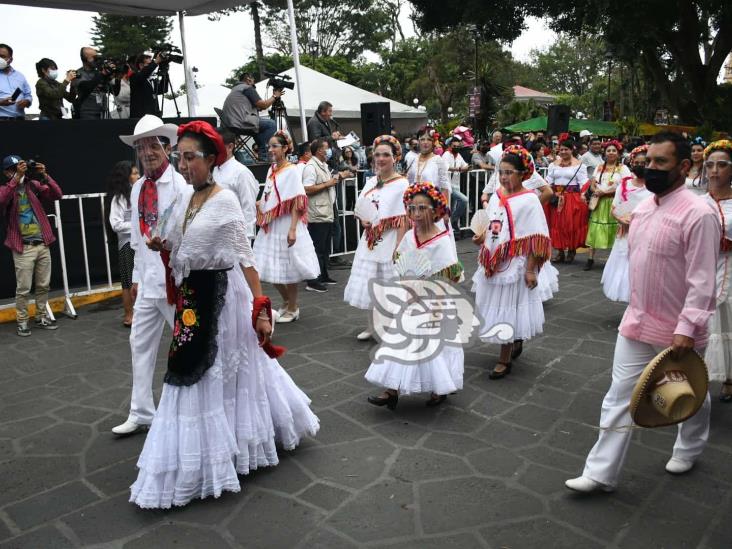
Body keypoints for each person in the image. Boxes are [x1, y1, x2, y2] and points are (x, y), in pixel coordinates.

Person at [129, 120, 319, 509]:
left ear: (212, 158)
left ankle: (217, 455)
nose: (183, 165)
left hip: (222, 299)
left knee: (218, 372)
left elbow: (245, 258)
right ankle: (210, 451)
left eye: (190, 157)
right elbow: (172, 237)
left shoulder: (225, 199)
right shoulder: (185, 199)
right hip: (191, 299)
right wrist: (161, 242)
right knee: (199, 373)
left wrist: (261, 308)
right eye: (179, 157)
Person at [565, 132, 720, 493]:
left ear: (683, 167)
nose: (650, 168)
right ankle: (600, 473)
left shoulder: (699, 213)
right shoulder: (645, 206)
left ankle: (690, 446)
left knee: (688, 392)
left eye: (660, 163)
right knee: (619, 394)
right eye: (648, 161)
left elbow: (702, 280)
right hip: (636, 321)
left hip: (677, 329)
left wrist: (688, 326)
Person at [111, 115, 192, 436]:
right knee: (139, 344)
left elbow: (187, 237)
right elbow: (135, 238)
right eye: (141, 147)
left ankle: (189, 412)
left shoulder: (181, 187)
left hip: (175, 283)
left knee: (186, 346)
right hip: (147, 284)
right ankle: (141, 411)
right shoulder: (137, 189)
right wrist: (135, 279)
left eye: (152, 145)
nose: (146, 152)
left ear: (166, 148)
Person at [366, 182, 464, 410]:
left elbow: (448, 278)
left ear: (435, 210)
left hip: (434, 301)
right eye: (412, 208)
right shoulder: (410, 236)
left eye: (422, 208)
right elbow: (403, 264)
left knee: (434, 347)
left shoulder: (441, 241)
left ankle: (439, 386)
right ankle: (392, 389)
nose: (417, 214)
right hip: (410, 297)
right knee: (401, 342)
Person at [472, 146, 551, 379]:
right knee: (497, 305)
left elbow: (537, 238)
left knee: (507, 308)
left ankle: (504, 358)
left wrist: (530, 270)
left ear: (522, 173)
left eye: (509, 172)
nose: (504, 177)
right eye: (501, 172)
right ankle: (513, 339)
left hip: (514, 263)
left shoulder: (529, 200)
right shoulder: (497, 195)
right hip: (493, 259)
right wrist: (482, 237)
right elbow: (494, 224)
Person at [345, 135, 410, 341]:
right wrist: (363, 219)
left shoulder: (402, 184)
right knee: (370, 285)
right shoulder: (372, 180)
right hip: (370, 239)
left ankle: (391, 327)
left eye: (386, 155)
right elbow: (361, 205)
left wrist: (399, 247)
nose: (380, 158)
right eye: (377, 154)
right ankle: (372, 326)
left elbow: (402, 218)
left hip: (390, 240)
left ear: (395, 158)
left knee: (388, 286)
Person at [253, 131, 320, 323]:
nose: (271, 149)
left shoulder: (291, 170)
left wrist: (292, 229)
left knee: (287, 267)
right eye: (269, 146)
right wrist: (262, 205)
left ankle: (293, 307)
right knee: (269, 269)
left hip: (286, 223)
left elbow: (297, 201)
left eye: (275, 146)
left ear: (285, 148)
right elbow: (269, 194)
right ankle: (286, 301)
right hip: (272, 224)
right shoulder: (272, 169)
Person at [0, 156, 62, 336]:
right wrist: (15, 179)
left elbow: (57, 194)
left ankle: (41, 316)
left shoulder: (33, 185)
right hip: (23, 247)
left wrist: (45, 176)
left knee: (43, 285)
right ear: (6, 172)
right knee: (24, 288)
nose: (18, 170)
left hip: (42, 243)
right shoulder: (6, 189)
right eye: (13, 169)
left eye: (19, 167)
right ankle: (22, 321)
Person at [701, 140, 732, 402]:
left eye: (722, 165)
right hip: (702, 271)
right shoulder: (698, 203)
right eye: (710, 164)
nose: (714, 170)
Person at [601, 145, 652, 302]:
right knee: (624, 266)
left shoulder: (655, 186)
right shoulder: (624, 184)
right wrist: (621, 219)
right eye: (637, 162)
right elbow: (614, 209)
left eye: (644, 163)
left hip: (647, 233)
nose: (640, 166)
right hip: (625, 232)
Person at [302, 138, 352, 292]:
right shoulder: (311, 167)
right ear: (319, 151)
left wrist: (338, 177)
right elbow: (307, 189)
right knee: (317, 247)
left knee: (324, 247)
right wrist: (327, 184)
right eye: (327, 148)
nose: (329, 150)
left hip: (326, 211)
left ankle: (323, 275)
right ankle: (313, 280)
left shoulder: (323, 165)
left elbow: (330, 180)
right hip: (317, 213)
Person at [584, 140, 631, 270]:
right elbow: (592, 183)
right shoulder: (599, 167)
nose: (611, 153)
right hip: (598, 202)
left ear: (618, 153)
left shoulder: (623, 168)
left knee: (614, 230)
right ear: (605, 153)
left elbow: (626, 186)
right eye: (608, 150)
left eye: (613, 151)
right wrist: (595, 190)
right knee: (594, 228)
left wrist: (606, 192)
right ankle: (590, 258)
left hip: (614, 202)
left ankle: (613, 260)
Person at [545, 136, 589, 264]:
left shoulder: (580, 165)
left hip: (572, 198)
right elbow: (548, 180)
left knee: (571, 225)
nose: (563, 152)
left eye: (566, 149)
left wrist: (585, 194)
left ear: (572, 150)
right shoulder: (553, 165)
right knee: (557, 224)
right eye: (561, 149)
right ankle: (559, 252)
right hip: (556, 197)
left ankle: (571, 250)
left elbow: (583, 182)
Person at [108, 160, 140, 327]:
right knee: (129, 281)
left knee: (141, 278)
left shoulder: (140, 193)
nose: (138, 176)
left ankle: (141, 314)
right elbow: (116, 224)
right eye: (134, 173)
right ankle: (129, 314)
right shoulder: (119, 199)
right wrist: (136, 226)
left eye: (137, 173)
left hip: (141, 243)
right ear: (125, 177)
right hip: (128, 244)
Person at [221, 72, 280, 162]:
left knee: (260, 128)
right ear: (248, 79)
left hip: (230, 124)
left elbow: (249, 107)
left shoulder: (235, 89)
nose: (254, 82)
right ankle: (264, 155)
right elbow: (263, 105)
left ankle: (262, 155)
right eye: (253, 80)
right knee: (271, 124)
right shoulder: (247, 88)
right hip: (240, 123)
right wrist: (275, 96)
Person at [213, 127, 260, 241]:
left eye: (217, 146)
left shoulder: (241, 173)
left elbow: (249, 209)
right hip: (215, 235)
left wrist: (245, 240)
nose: (214, 150)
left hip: (236, 237)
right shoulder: (213, 170)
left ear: (230, 147)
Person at [69, 47, 116, 120]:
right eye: (94, 58)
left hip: (104, 112)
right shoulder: (77, 74)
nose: (97, 60)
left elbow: (116, 91)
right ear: (86, 59)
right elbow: (86, 87)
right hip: (87, 113)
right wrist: (102, 74)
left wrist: (114, 75)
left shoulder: (100, 72)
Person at [408, 128, 450, 202]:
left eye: (429, 139)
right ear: (418, 141)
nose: (425, 142)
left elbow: (445, 188)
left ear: (434, 142)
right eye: (422, 139)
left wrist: (444, 210)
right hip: (414, 205)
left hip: (433, 205)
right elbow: (409, 183)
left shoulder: (438, 161)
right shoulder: (413, 160)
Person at [442, 137, 470, 232]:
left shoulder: (458, 155)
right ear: (450, 146)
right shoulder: (446, 155)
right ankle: (452, 221)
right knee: (464, 200)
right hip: (447, 185)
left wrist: (466, 167)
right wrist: (459, 169)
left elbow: (464, 165)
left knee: (451, 208)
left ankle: (450, 226)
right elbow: (446, 167)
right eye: (454, 146)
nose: (456, 148)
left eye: (458, 146)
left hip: (455, 185)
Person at [306, 101, 343, 168]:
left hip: (329, 157)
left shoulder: (326, 120)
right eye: (330, 111)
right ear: (323, 112)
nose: (331, 114)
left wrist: (333, 135)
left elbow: (325, 135)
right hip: (322, 158)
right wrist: (332, 137)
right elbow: (315, 140)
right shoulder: (314, 122)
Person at [0, 44, 32, 120]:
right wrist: (1, 102)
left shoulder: (20, 76)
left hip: (19, 120)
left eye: (2, 56)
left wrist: (27, 101)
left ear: (10, 59)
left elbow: (28, 95)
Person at [129, 52, 165, 118]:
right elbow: (143, 74)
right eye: (149, 64)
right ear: (141, 65)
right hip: (140, 117)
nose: (152, 66)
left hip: (153, 116)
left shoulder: (151, 80)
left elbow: (163, 90)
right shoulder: (134, 77)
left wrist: (165, 73)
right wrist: (156, 61)